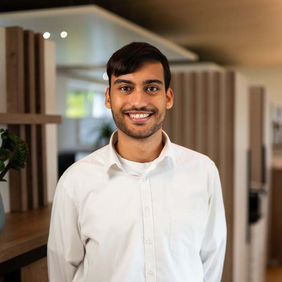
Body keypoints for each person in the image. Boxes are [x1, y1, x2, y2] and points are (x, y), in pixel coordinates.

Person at [47, 42, 226, 282]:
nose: (139, 101)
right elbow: (62, 270)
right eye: (125, 88)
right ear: (109, 98)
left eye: (151, 88)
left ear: (168, 97)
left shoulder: (203, 171)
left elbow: (211, 261)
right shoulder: (75, 181)